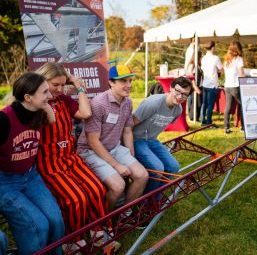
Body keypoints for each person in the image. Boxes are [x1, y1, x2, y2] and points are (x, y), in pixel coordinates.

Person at [35, 62, 113, 250]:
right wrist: (44, 97)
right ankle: (72, 242)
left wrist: (78, 87)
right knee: (76, 198)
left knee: (97, 189)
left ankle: (98, 233)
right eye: (55, 85)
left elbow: (85, 113)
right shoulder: (35, 103)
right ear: (42, 81)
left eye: (63, 84)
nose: (60, 89)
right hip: (49, 163)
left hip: (69, 157)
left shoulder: (63, 99)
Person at [0, 72, 64, 254]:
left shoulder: (37, 112)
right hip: (5, 182)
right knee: (37, 225)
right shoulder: (4, 120)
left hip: (30, 176)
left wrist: (45, 105)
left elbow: (52, 120)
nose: (50, 96)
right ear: (28, 97)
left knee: (56, 219)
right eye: (45, 92)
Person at [78, 65, 148, 212]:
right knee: (118, 186)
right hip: (90, 150)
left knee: (142, 175)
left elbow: (128, 130)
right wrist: (117, 165)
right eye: (123, 81)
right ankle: (104, 221)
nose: (129, 85)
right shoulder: (98, 103)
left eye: (130, 81)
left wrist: (130, 157)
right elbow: (92, 141)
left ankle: (125, 214)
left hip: (114, 148)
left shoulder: (127, 101)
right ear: (111, 82)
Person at [132, 77, 193, 194]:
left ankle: (157, 198)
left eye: (185, 94)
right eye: (178, 91)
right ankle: (146, 200)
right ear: (170, 88)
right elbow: (129, 124)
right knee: (157, 168)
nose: (180, 97)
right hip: (137, 140)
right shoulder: (153, 103)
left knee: (173, 167)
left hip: (152, 140)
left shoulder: (178, 109)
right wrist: (127, 148)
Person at [223, 41, 245, 134]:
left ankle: (226, 128)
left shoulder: (226, 60)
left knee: (227, 107)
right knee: (243, 106)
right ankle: (243, 127)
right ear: (238, 49)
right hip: (235, 86)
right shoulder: (239, 59)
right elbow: (241, 74)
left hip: (227, 86)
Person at [188, 51, 203, 121]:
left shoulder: (198, 65)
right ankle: (192, 117)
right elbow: (191, 78)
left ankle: (196, 117)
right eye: (201, 56)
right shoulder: (192, 65)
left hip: (199, 86)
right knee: (195, 103)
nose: (202, 58)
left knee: (198, 103)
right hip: (194, 87)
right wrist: (196, 87)